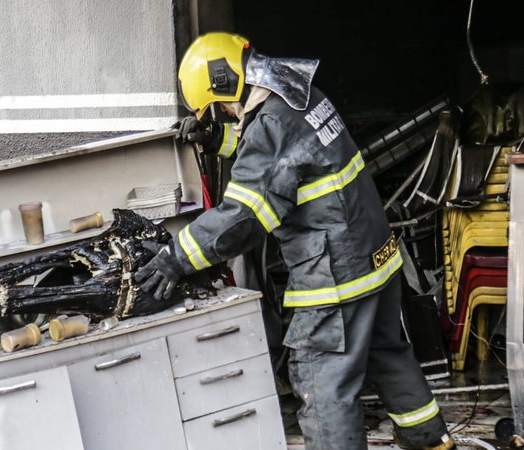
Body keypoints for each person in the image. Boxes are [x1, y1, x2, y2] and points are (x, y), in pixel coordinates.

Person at [136, 33, 452, 450]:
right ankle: (432, 441)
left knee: (323, 384)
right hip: (377, 259)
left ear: (225, 84)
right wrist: (220, 142)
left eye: (221, 109)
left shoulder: (270, 123)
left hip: (336, 276)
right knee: (389, 354)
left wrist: (176, 258)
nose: (227, 115)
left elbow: (244, 217)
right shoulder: (302, 94)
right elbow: (289, 158)